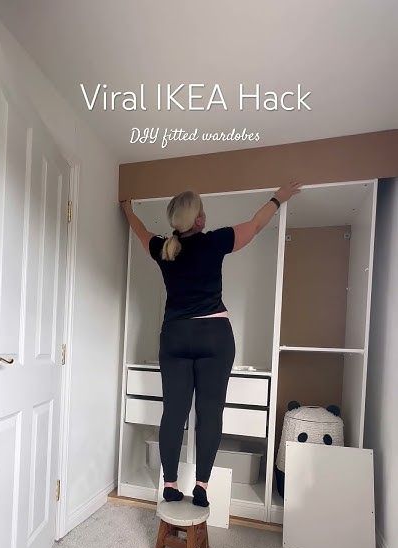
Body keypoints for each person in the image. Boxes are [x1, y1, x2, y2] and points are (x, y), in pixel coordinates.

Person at [120, 181, 301, 507]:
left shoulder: (163, 248)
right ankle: (202, 487)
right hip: (213, 336)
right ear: (199, 220)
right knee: (210, 412)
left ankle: (171, 485)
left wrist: (127, 210)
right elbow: (257, 224)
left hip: (175, 336)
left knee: (173, 413)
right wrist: (278, 198)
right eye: (202, 211)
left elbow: (140, 230)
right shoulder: (215, 241)